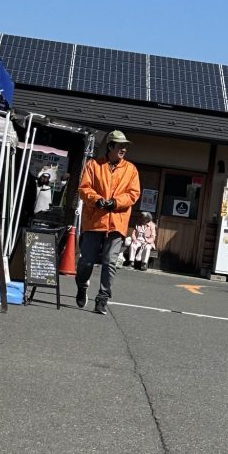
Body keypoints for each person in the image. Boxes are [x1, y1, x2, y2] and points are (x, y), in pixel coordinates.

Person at [75, 130, 141, 315]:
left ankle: (102, 299)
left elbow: (133, 194)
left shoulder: (131, 169)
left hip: (117, 222)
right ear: (110, 146)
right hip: (95, 220)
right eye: (120, 145)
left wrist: (115, 202)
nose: (124, 149)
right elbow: (84, 188)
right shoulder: (93, 165)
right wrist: (97, 200)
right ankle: (82, 285)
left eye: (125, 146)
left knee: (110, 261)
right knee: (86, 261)